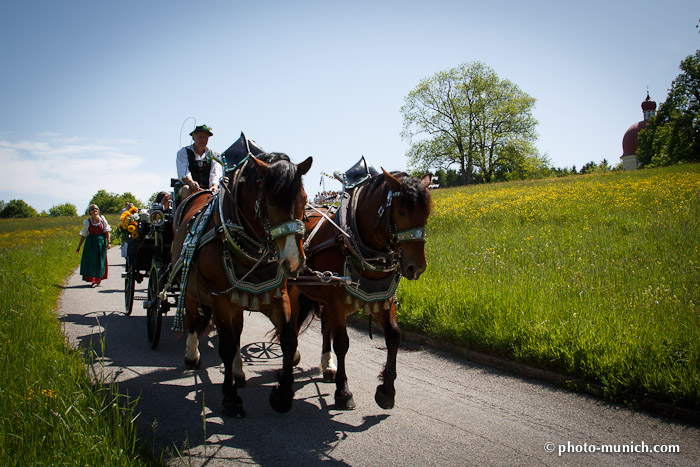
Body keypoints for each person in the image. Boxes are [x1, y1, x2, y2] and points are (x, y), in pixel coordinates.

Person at [176, 124, 223, 200]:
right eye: (200, 137)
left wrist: (214, 186)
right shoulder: (183, 152)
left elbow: (215, 174)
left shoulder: (214, 155)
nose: (203, 140)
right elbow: (184, 172)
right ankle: (187, 211)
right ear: (193, 137)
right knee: (186, 189)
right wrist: (191, 182)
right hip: (189, 188)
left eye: (205, 137)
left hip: (207, 190)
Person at [76, 204, 111, 287]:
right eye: (92, 209)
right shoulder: (87, 222)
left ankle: (98, 279)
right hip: (90, 243)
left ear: (98, 211)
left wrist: (109, 242)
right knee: (91, 261)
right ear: (89, 212)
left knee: (100, 261)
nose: (94, 210)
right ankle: (93, 279)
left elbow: (106, 231)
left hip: (100, 242)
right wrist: (79, 246)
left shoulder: (102, 220)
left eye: (96, 209)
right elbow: (84, 234)